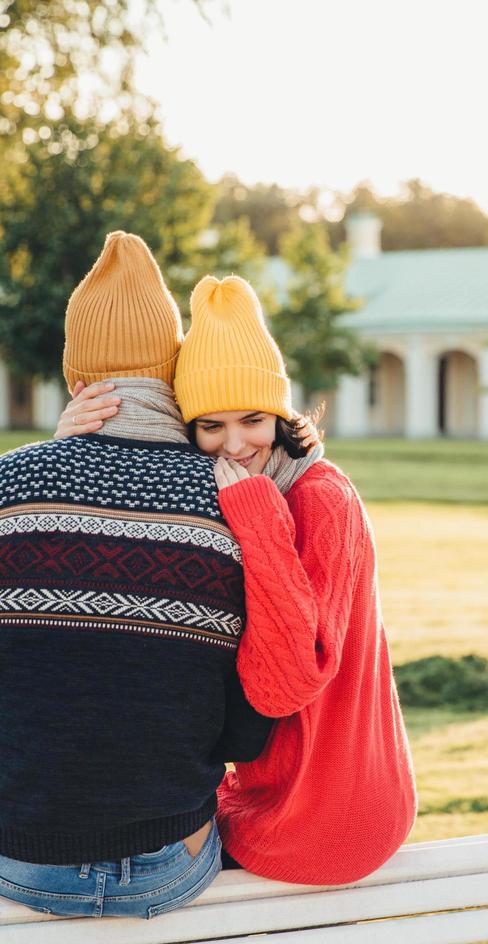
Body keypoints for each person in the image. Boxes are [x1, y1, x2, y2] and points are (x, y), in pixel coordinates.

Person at [0, 232, 270, 918]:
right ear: (173, 378)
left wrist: (39, 759)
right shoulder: (241, 508)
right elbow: (249, 726)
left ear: (77, 381)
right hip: (170, 858)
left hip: (12, 852)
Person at [56, 274, 417, 885]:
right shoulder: (228, 489)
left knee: (130, 849)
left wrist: (256, 516)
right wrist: (69, 452)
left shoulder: (318, 497)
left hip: (319, 813)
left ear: (280, 412)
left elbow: (286, 684)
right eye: (210, 426)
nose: (235, 443)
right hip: (291, 789)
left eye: (253, 418)